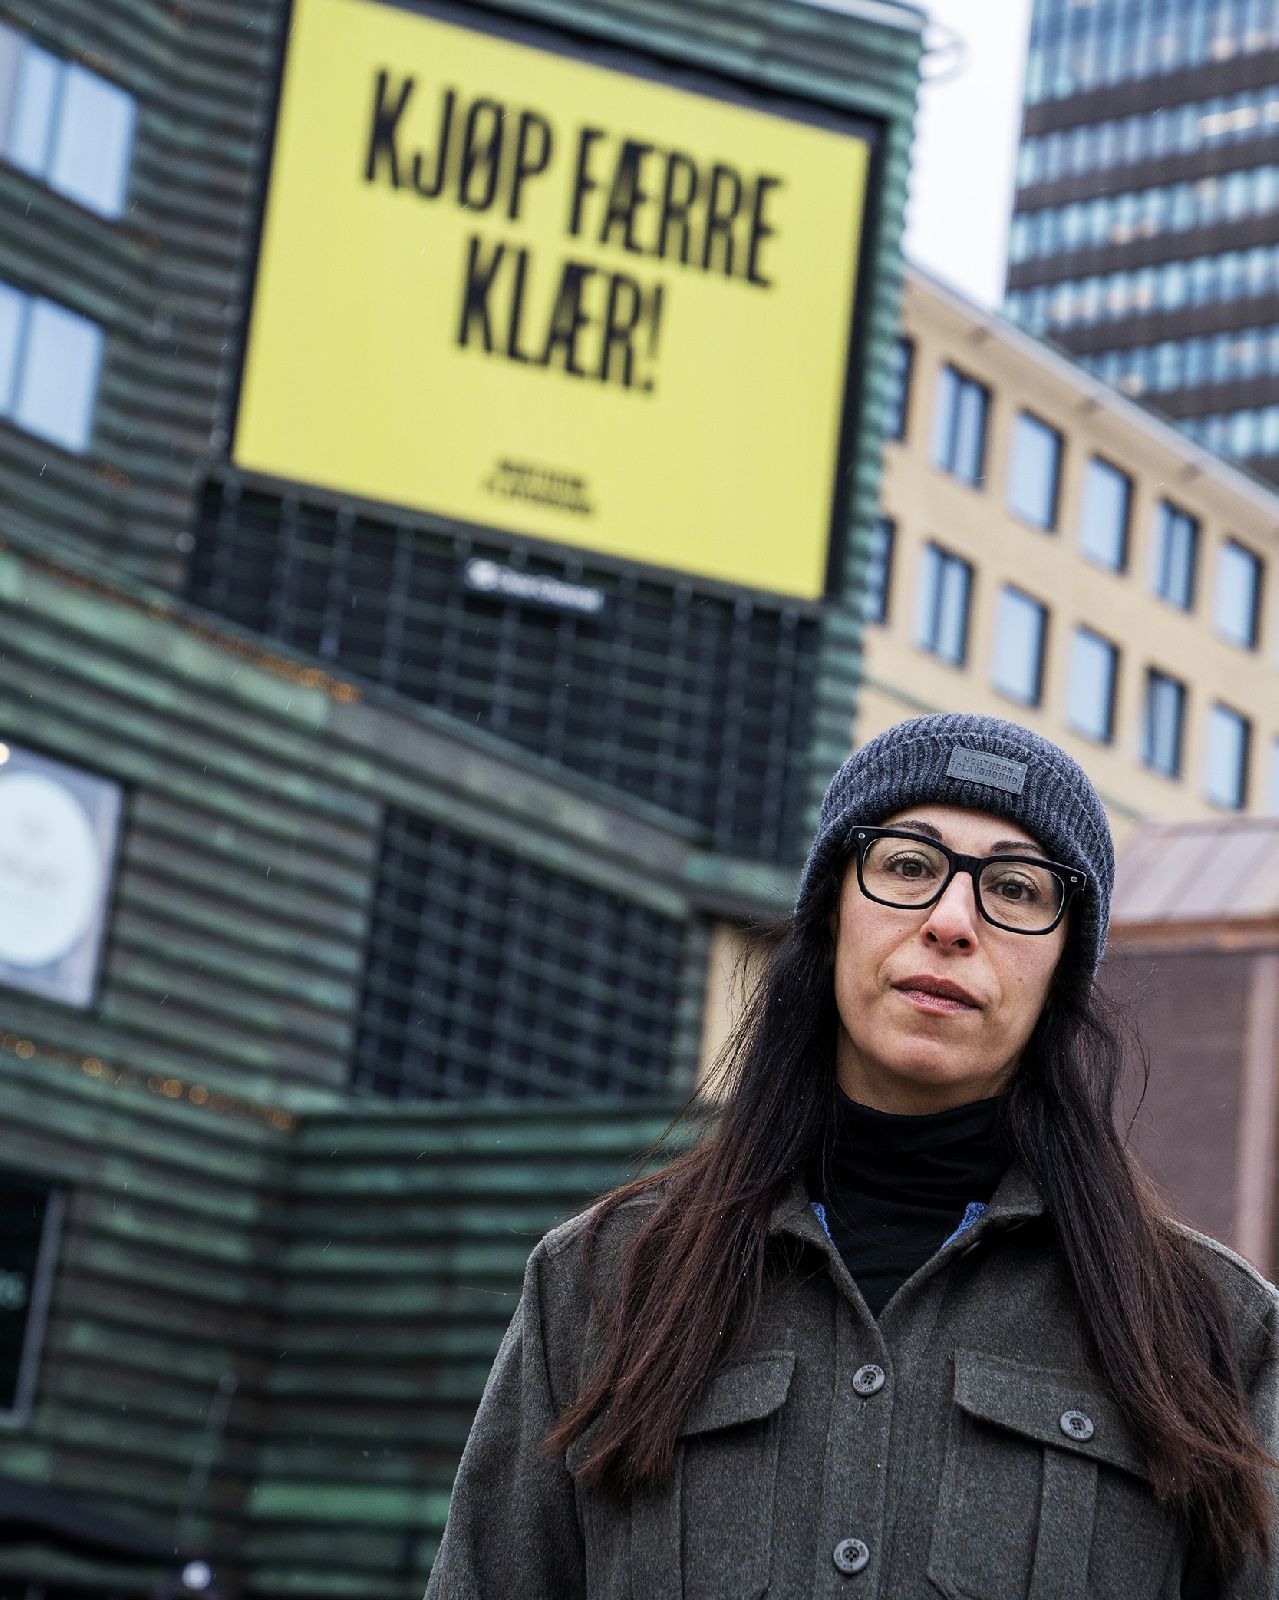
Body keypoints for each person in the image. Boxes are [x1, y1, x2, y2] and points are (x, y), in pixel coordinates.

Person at [425, 713, 1279, 1598]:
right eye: (908, 866)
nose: (952, 921)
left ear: (1063, 965)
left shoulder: (1214, 1331)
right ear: (832, 912)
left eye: (1018, 889)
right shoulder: (598, 1282)